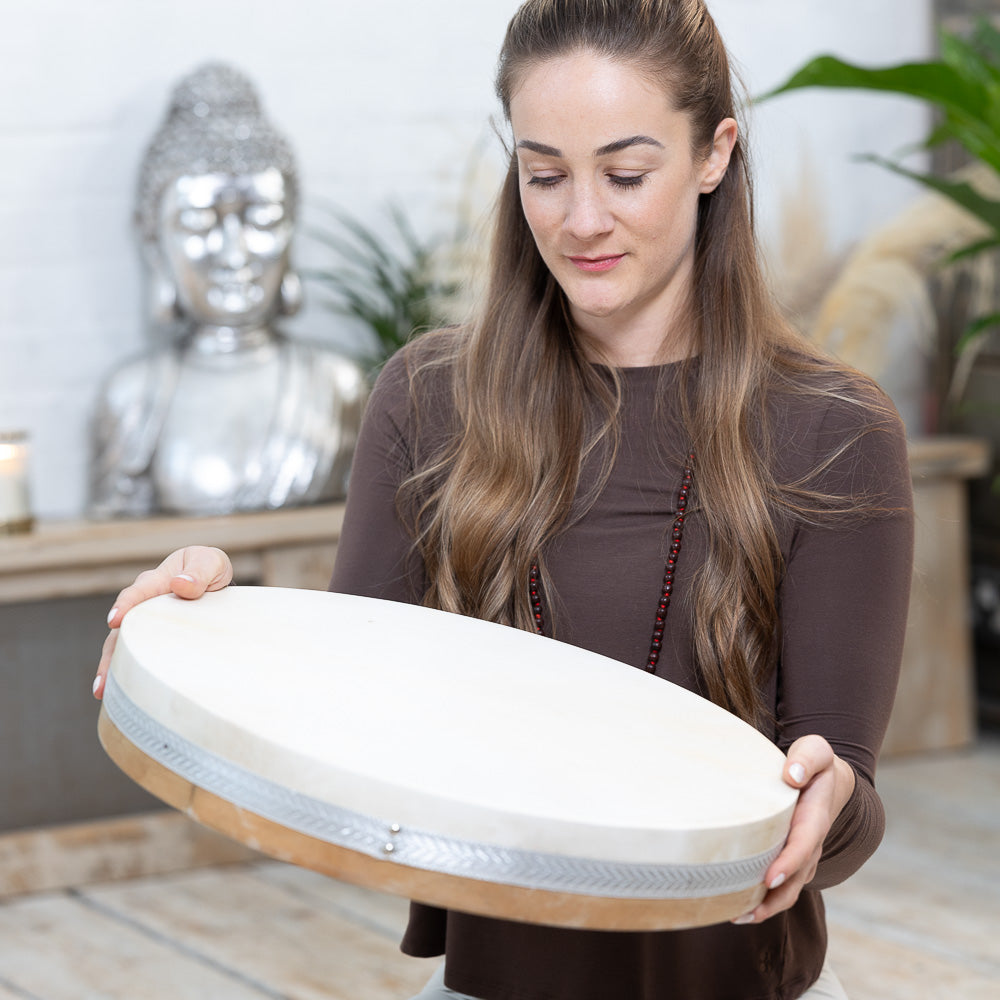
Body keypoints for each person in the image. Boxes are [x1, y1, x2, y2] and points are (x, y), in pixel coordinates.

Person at [93, 2, 914, 997]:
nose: (580, 219)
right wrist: (221, 623)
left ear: (713, 154)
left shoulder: (834, 431)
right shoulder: (428, 399)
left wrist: (824, 799)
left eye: (625, 173)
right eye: (543, 172)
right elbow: (338, 720)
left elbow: (848, 802)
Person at [89, 62, 367, 518]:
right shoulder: (133, 399)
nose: (234, 253)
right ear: (153, 241)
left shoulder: (337, 387)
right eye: (200, 221)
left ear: (291, 227)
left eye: (261, 218)